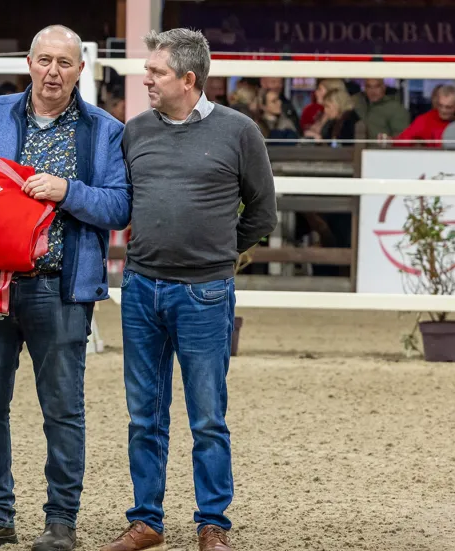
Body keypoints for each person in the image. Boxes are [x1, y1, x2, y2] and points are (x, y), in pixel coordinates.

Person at [0, 24, 131, 551]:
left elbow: (120, 206)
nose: (53, 72)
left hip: (59, 289)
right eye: (45, 61)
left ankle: (60, 523)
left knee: (62, 411)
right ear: (29, 62)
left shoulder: (104, 130)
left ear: (82, 69)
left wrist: (69, 191)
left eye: (65, 63)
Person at [99, 29, 276, 551]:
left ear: (188, 78)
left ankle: (212, 523)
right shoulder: (134, 132)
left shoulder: (239, 132)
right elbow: (121, 201)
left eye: (156, 72)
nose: (146, 78)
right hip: (141, 288)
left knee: (207, 415)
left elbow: (262, 211)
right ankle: (147, 521)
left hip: (204, 292)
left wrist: (221, 254)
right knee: (143, 413)